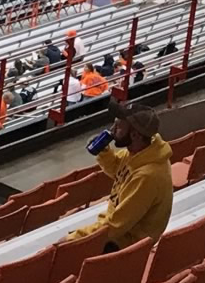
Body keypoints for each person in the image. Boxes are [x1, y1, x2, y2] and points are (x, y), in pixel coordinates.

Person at [67, 101, 174, 251]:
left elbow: (115, 226)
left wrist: (72, 238)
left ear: (135, 135)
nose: (112, 129)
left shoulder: (147, 176)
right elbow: (118, 169)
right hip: (118, 227)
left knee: (62, 254)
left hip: (127, 243)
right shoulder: (140, 151)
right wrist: (104, 152)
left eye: (119, 126)